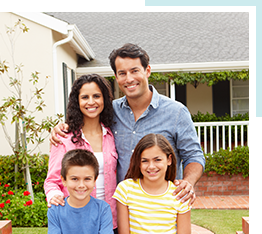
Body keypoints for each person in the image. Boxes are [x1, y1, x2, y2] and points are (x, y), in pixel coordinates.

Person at [49, 43, 205, 206]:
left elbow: (194, 155)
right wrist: (63, 128)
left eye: (135, 71)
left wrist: (188, 181)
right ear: (116, 77)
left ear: (148, 71)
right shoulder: (109, 111)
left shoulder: (176, 112)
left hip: (162, 208)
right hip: (121, 208)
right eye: (122, 73)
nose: (129, 79)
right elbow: (87, 120)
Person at [44, 74, 119, 234]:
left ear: (104, 99)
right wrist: (55, 197)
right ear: (77, 101)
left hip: (109, 219)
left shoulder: (113, 134)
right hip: (77, 222)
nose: (91, 102)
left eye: (96, 96)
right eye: (85, 97)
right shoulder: (64, 138)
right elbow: (52, 181)